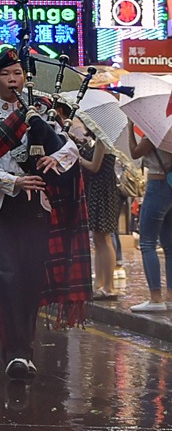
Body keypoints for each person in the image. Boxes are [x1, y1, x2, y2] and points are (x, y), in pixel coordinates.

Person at [0, 49, 81, 379]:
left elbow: (71, 148)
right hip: (0, 208)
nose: (13, 79)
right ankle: (14, 353)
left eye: (18, 73)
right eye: (6, 75)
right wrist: (16, 180)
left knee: (31, 279)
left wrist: (55, 161)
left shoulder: (41, 114)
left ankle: (26, 349)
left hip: (36, 207)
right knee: (7, 279)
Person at [72, 120, 119, 300]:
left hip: (102, 191)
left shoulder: (102, 141)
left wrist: (78, 157)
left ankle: (109, 285)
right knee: (99, 239)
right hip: (99, 191)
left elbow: (94, 166)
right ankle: (100, 283)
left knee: (104, 238)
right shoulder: (100, 140)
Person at [127, 125, 172, 312]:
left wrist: (130, 128)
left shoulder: (157, 129)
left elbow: (135, 152)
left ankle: (155, 298)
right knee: (169, 246)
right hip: (170, 187)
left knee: (147, 243)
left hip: (157, 185)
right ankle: (170, 295)